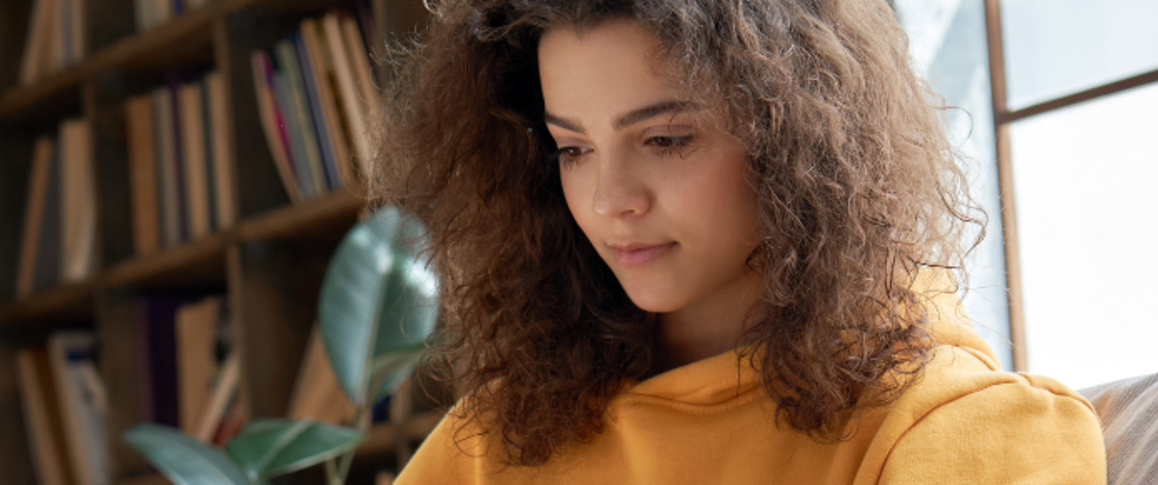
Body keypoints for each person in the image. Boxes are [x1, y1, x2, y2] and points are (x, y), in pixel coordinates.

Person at [369, 0, 1106, 483]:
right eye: (573, 149)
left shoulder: (954, 422)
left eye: (664, 138)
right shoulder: (497, 438)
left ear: (796, 136)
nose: (608, 200)